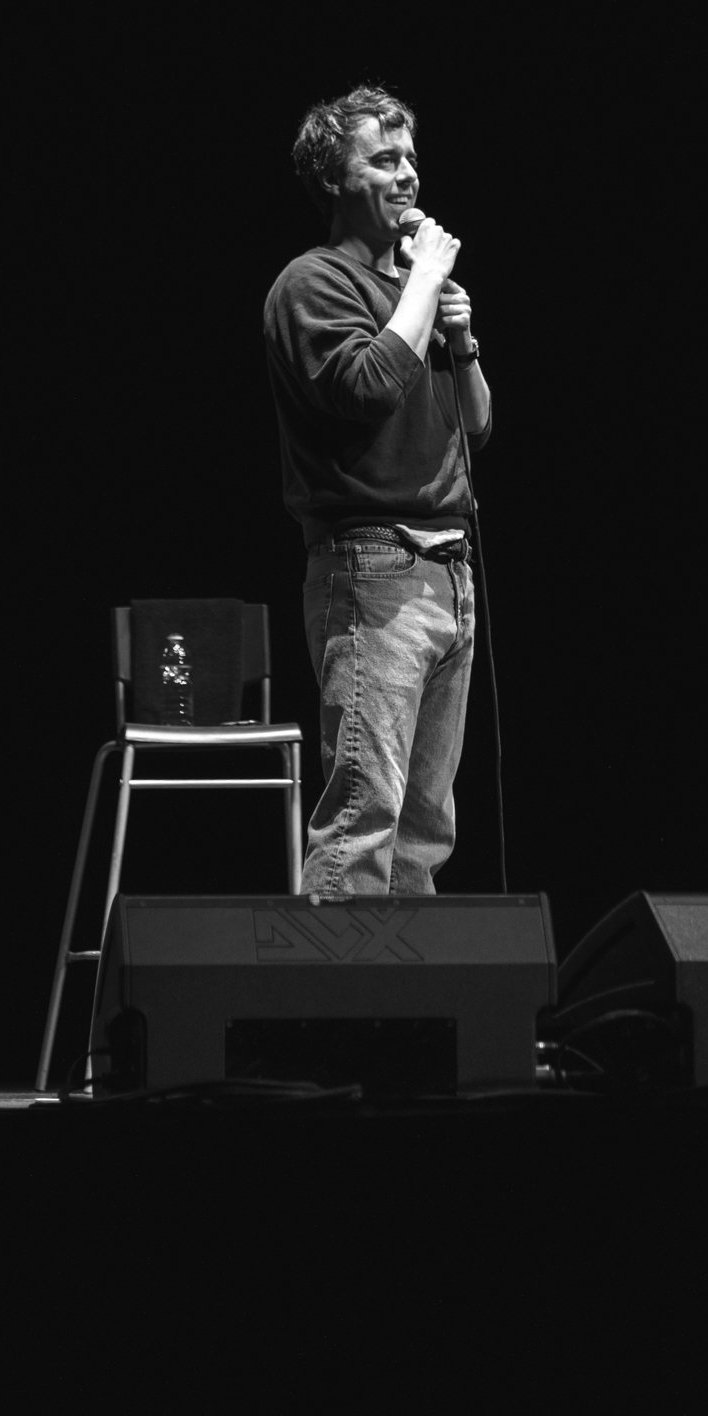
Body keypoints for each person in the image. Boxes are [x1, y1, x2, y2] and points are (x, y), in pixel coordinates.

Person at [263, 83, 492, 895]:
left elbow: (477, 424)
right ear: (333, 178)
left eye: (412, 161)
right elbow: (363, 387)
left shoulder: (416, 298)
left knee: (425, 835)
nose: (407, 178)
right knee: (364, 819)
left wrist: (461, 344)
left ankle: (409, 1014)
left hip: (448, 572)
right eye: (383, 159)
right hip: (374, 569)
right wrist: (425, 284)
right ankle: (329, 1014)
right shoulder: (310, 284)